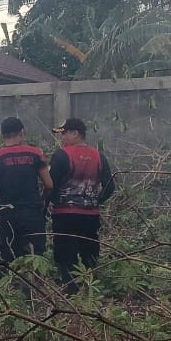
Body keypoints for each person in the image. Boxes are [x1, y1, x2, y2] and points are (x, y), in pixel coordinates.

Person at [0, 117, 53, 264]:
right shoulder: (35, 154)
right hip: (32, 212)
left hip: (7, 214)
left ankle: (13, 284)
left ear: (2, 135)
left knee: (11, 256)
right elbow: (49, 184)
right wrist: (41, 200)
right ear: (22, 132)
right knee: (37, 257)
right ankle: (37, 284)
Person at [48, 118, 116, 293]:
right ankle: (90, 289)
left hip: (65, 215)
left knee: (65, 254)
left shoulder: (62, 155)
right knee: (89, 252)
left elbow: (51, 185)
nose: (62, 137)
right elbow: (110, 186)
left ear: (75, 133)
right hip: (90, 216)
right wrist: (96, 200)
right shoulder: (99, 156)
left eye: (64, 133)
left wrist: (48, 205)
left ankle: (71, 290)